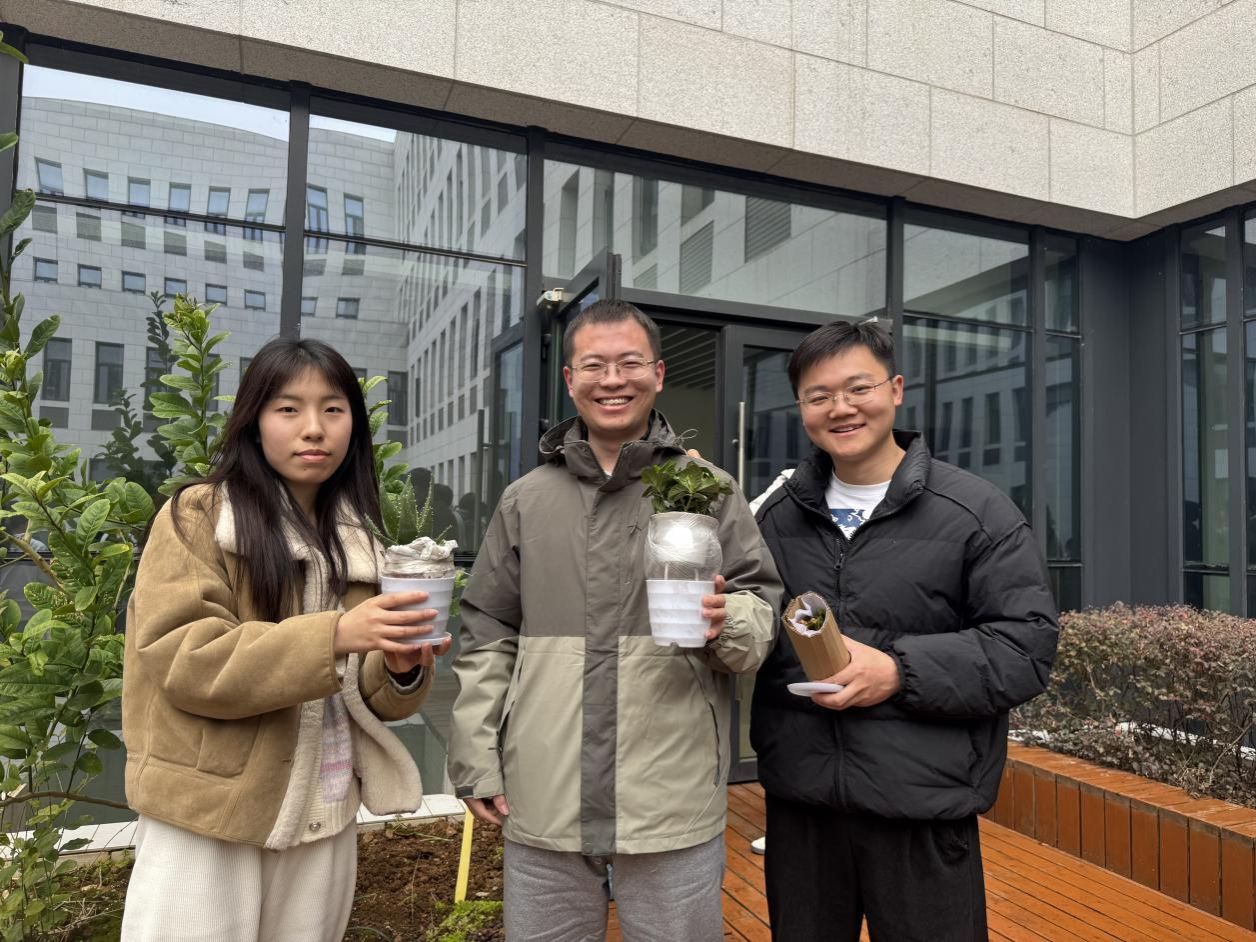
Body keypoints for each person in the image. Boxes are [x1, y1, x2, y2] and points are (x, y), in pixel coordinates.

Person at [448, 299, 783, 942]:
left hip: (671, 787)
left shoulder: (708, 489)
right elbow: (489, 630)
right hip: (543, 785)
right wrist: (476, 755)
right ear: (569, 379)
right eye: (594, 365)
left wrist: (727, 622)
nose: (612, 380)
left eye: (629, 363)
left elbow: (758, 604)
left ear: (657, 373)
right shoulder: (526, 500)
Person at [120, 338, 451, 942]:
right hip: (211, 813)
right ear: (254, 421)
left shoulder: (358, 538)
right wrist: (337, 634)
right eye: (288, 408)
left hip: (323, 808)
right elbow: (186, 659)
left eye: (333, 409)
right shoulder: (198, 515)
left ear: (354, 425)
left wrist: (399, 666)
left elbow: (367, 698)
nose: (314, 428)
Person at [751, 321, 1058, 941]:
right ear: (801, 408)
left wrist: (898, 671)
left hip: (923, 806)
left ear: (895, 390)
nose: (840, 407)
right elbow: (749, 632)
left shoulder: (975, 511)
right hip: (802, 808)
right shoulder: (774, 518)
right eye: (818, 395)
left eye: (858, 388)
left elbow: (1025, 646)